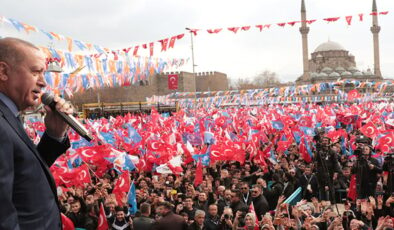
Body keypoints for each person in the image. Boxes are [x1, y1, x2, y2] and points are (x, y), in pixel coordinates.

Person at [0, 37, 72, 229]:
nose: (43, 83)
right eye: (36, 72)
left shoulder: (9, 116)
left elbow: (24, 174)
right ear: (3, 71)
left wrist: (54, 135)